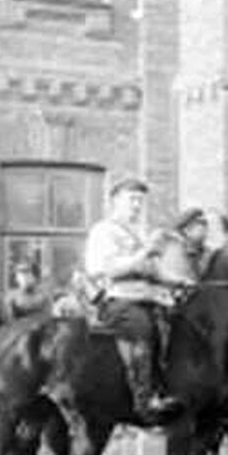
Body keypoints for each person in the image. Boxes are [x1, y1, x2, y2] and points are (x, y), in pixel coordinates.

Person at [83, 176, 183, 424]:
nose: (137, 206)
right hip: (118, 301)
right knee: (144, 329)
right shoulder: (103, 231)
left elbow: (153, 272)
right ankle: (144, 399)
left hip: (146, 299)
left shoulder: (137, 235)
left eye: (140, 202)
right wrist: (145, 251)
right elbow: (107, 269)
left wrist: (179, 282)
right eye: (132, 200)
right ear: (115, 202)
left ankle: (169, 387)